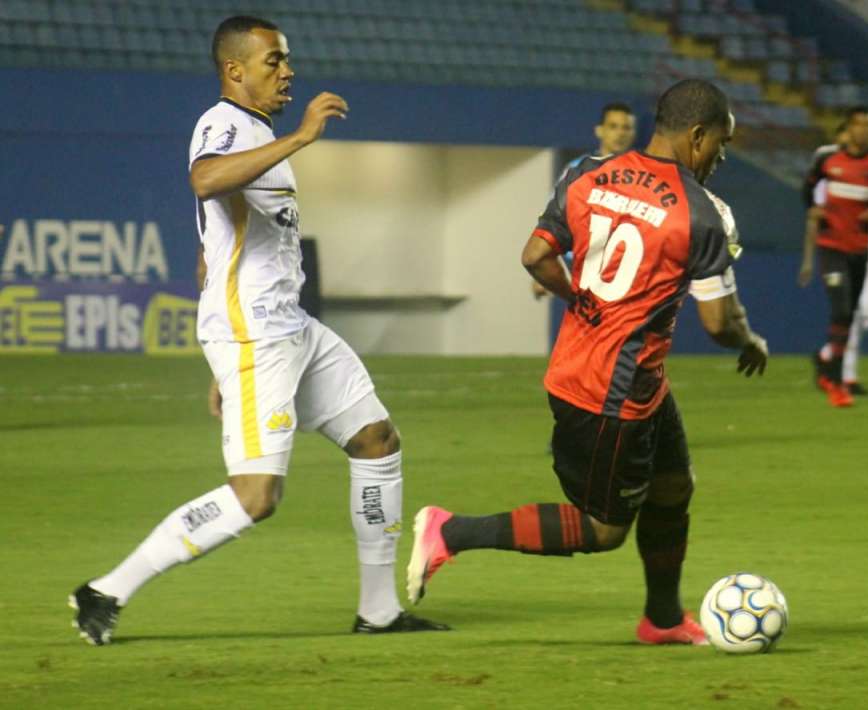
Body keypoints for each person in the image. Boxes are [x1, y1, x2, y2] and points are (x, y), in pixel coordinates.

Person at [69, 15, 447, 645]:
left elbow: (208, 253)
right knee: (255, 497)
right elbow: (205, 178)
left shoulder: (256, 135)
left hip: (287, 327)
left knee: (377, 440)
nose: (287, 70)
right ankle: (106, 590)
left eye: (286, 60)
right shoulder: (223, 123)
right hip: (256, 336)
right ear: (235, 70)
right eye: (273, 61)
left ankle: (379, 612)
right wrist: (301, 138)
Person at [406, 79, 769, 645]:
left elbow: (535, 256)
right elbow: (721, 323)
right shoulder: (700, 214)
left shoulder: (588, 174)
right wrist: (752, 343)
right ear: (697, 136)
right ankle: (451, 531)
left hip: (627, 378)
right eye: (720, 145)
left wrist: (582, 299)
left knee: (674, 486)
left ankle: (664, 619)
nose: (720, 158)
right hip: (606, 395)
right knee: (603, 530)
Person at [800, 106, 868, 407]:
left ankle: (825, 361)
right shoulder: (827, 158)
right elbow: (807, 189)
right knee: (842, 310)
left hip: (861, 250)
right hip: (831, 247)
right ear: (848, 127)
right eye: (858, 124)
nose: (863, 130)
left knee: (851, 316)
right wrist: (813, 210)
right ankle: (836, 381)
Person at [532, 102, 637, 299]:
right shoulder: (578, 170)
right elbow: (555, 218)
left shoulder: (642, 175)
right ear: (599, 131)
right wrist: (544, 263)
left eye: (626, 128)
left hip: (624, 272)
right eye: (613, 126)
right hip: (580, 268)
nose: (620, 133)